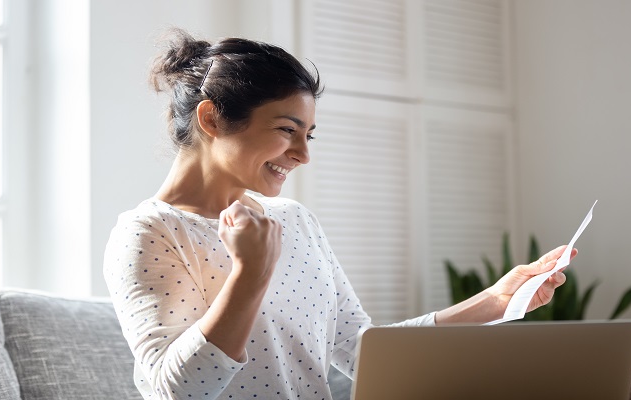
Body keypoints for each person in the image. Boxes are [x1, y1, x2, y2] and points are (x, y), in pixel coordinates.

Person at [103, 28, 574, 400]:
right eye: (288, 130)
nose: (302, 154)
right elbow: (178, 390)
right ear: (211, 120)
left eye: (309, 135)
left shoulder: (293, 220)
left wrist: (496, 300)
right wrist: (248, 274)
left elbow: (363, 352)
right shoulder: (149, 233)